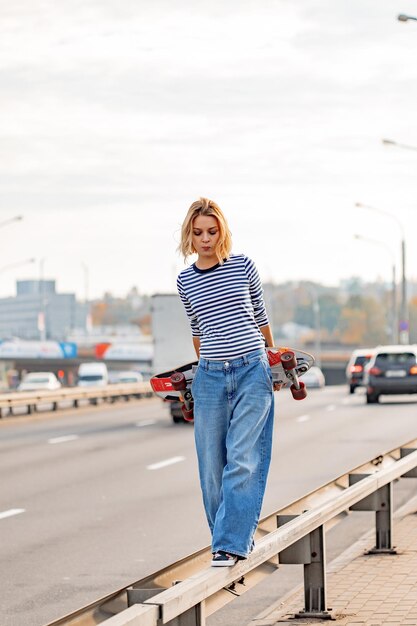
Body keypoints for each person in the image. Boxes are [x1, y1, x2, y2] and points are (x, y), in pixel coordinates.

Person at [177, 197, 279, 567]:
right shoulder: (185, 280)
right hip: (209, 377)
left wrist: (273, 362)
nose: (205, 239)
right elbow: (197, 330)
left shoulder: (243, 266)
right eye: (198, 232)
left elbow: (260, 315)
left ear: (222, 231)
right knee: (211, 467)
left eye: (212, 231)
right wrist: (202, 369)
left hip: (252, 369)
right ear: (189, 235)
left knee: (242, 458)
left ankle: (231, 544)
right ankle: (225, 539)